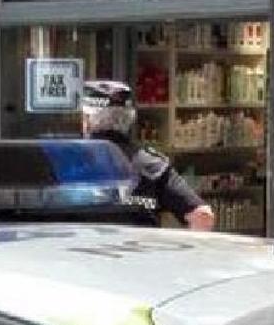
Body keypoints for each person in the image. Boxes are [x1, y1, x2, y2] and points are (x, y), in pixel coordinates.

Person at [80, 80, 216, 231]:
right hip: (141, 252)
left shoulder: (71, 162)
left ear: (87, 120)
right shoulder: (152, 164)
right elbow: (203, 216)